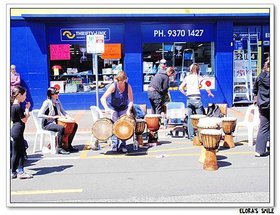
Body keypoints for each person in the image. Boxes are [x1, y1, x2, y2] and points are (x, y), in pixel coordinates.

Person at [100, 71, 133, 153]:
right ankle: (114, 144)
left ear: (125, 80)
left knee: (124, 126)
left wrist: (128, 110)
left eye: (121, 81)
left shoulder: (128, 86)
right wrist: (106, 108)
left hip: (123, 107)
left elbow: (131, 100)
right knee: (114, 126)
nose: (119, 83)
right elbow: (103, 98)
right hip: (113, 107)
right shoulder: (113, 86)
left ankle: (123, 145)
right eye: (118, 81)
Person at [38, 87, 78, 154]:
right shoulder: (46, 103)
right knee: (61, 128)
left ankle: (68, 145)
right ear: (51, 95)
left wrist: (69, 118)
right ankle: (59, 148)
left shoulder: (57, 101)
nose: (58, 94)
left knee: (74, 125)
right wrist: (52, 117)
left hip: (57, 121)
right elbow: (39, 115)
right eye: (56, 93)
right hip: (47, 124)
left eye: (57, 93)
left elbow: (63, 111)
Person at [179, 63, 214, 140]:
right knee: (200, 118)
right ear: (198, 70)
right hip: (197, 98)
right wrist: (210, 93)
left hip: (189, 99)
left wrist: (186, 94)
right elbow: (206, 86)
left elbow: (180, 88)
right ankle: (201, 135)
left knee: (190, 118)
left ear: (191, 70)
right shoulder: (199, 77)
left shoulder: (187, 78)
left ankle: (191, 136)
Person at [11, 86, 33, 179]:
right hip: (18, 130)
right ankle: (21, 172)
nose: (25, 97)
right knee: (21, 152)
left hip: (14, 130)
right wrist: (27, 109)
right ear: (19, 95)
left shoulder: (12, 105)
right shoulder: (18, 106)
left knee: (16, 152)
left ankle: (13, 172)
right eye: (24, 95)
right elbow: (24, 120)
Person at [253, 57, 270, 157]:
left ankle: (259, 150)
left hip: (263, 105)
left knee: (263, 127)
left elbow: (255, 89)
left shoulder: (260, 76)